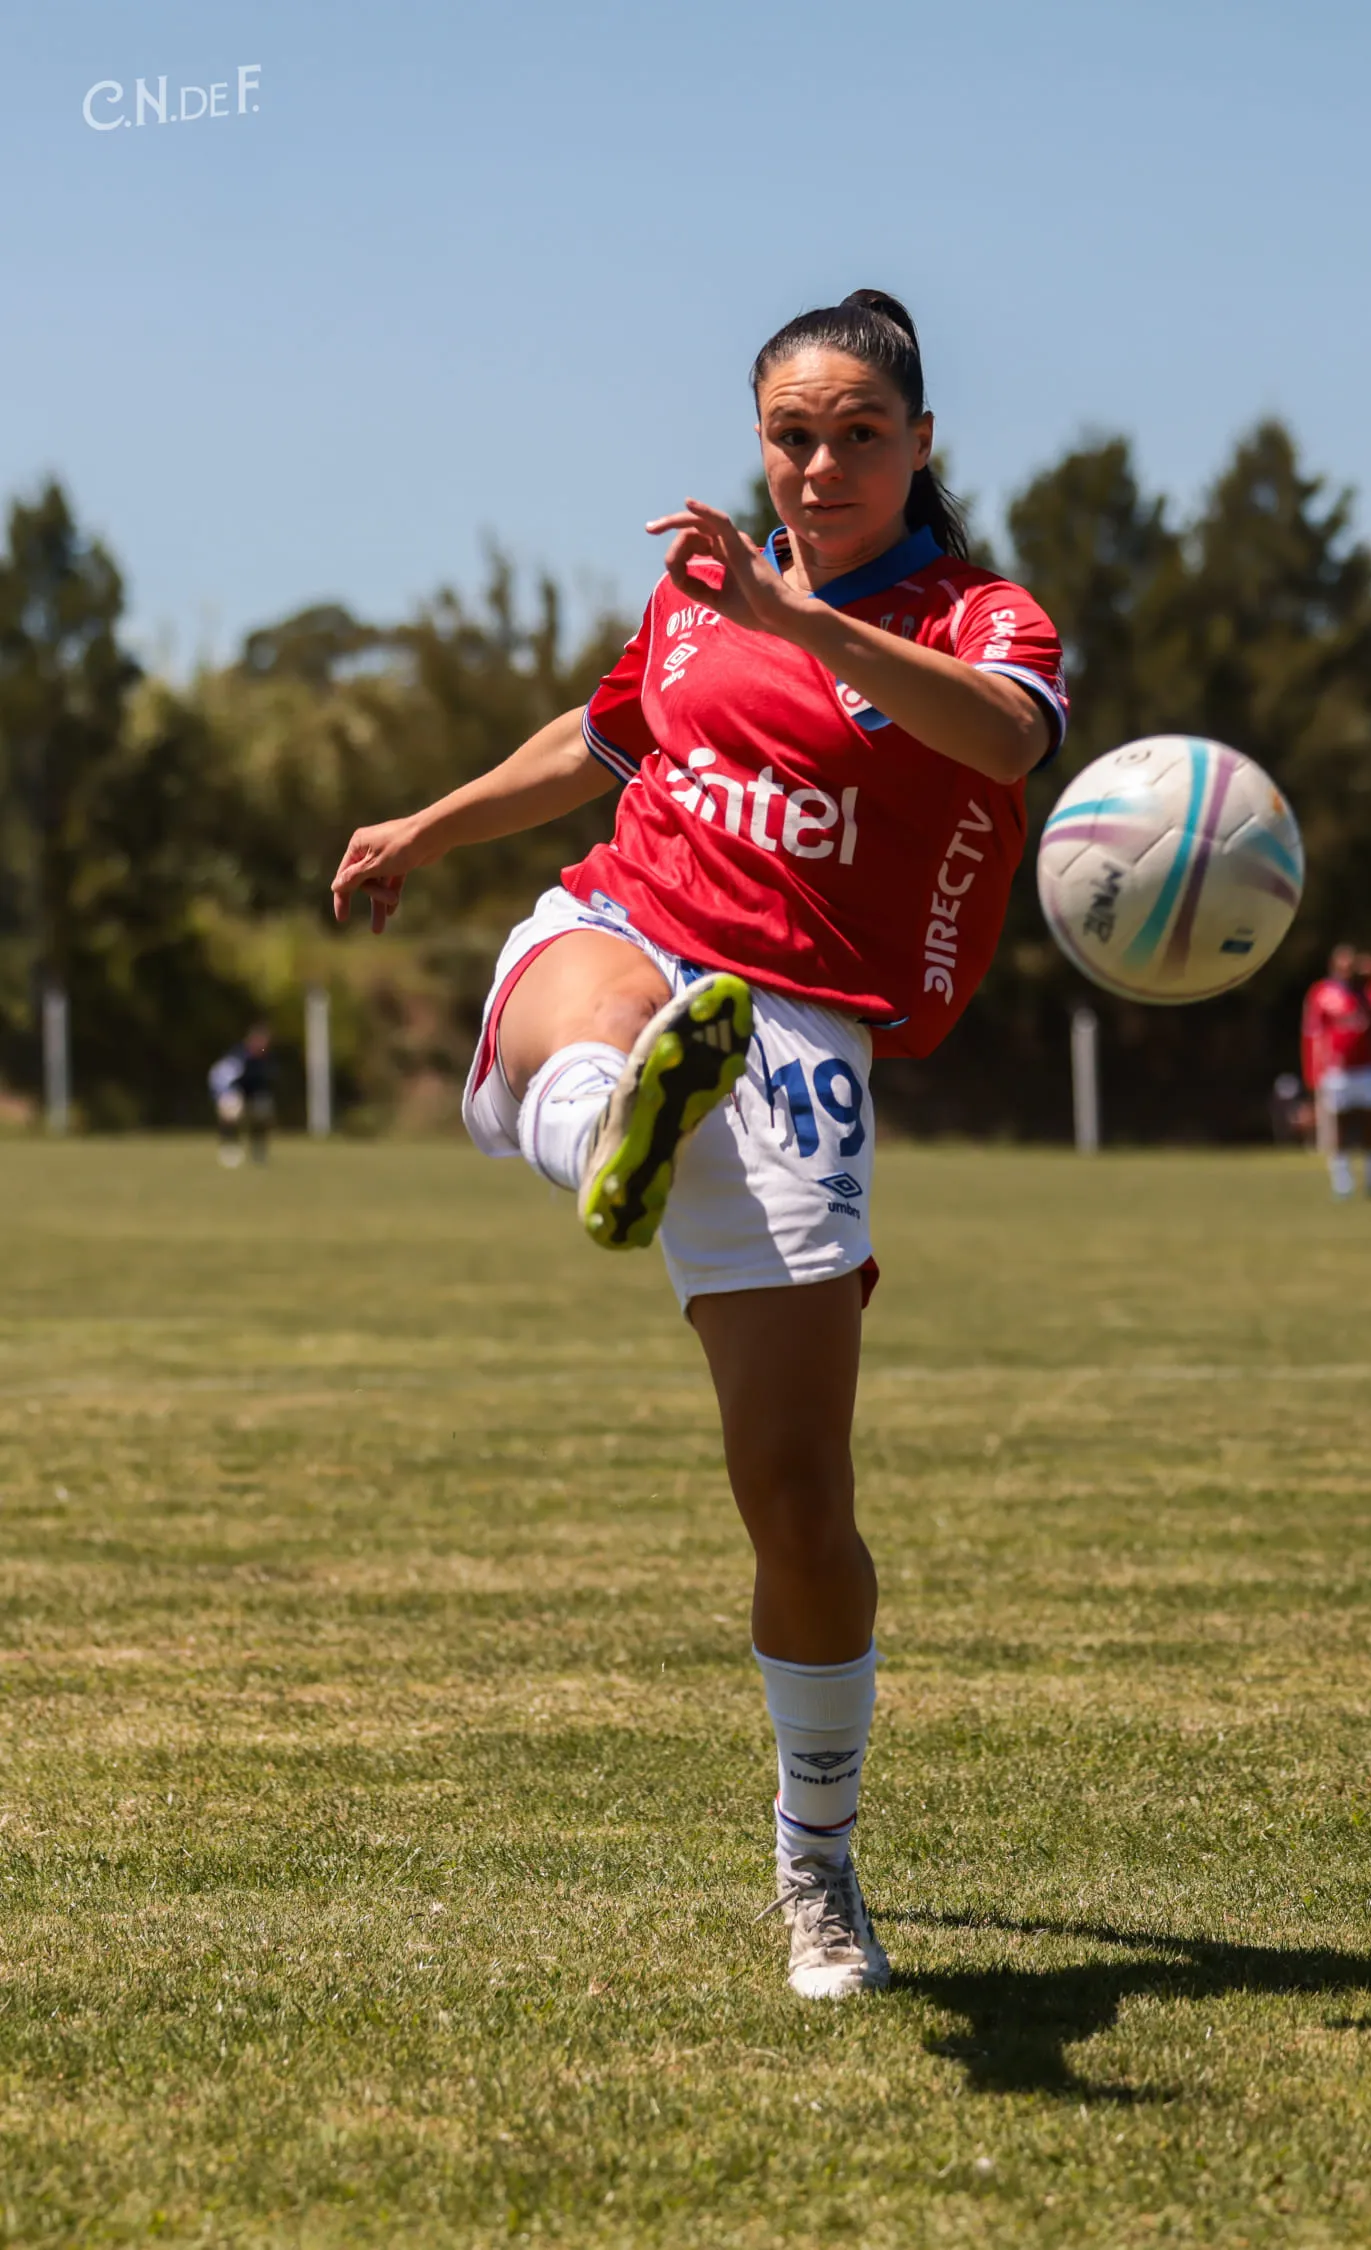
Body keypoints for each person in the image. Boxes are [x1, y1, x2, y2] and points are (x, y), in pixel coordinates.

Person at [328, 291, 1068, 2000]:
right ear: (760, 439)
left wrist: (801, 622)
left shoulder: (980, 613)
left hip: (797, 1025)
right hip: (636, 920)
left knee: (798, 1502)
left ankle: (819, 1863)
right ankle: (616, 1124)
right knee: (584, 1008)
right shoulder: (698, 588)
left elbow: (1008, 735)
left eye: (859, 435)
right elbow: (602, 744)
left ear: (922, 445)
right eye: (793, 436)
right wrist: (431, 823)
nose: (821, 466)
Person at [1301, 946, 1371, 1198]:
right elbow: (1312, 1033)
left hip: (1368, 1069)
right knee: (1339, 1127)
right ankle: (1342, 1183)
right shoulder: (1322, 992)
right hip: (1336, 1070)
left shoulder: (1369, 991)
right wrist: (1313, 1071)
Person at [208, 1025, 276, 1167]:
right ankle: (229, 1147)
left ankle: (258, 1150)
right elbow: (221, 1078)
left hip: (254, 1093)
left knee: (262, 1113)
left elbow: (264, 1082)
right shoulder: (237, 1056)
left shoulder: (265, 1057)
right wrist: (220, 1096)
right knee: (231, 1111)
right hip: (233, 1090)